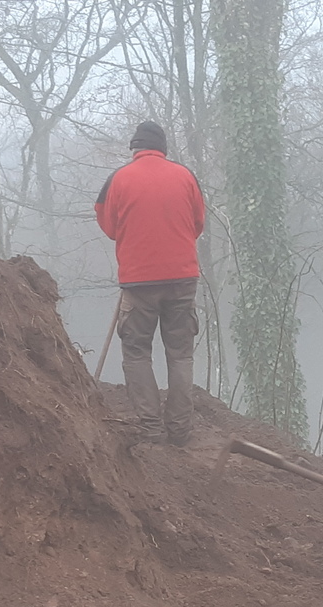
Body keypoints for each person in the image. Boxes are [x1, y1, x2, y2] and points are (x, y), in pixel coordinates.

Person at [94, 120, 206, 445]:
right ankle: (180, 431)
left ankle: (151, 428)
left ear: (135, 148)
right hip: (183, 279)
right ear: (163, 148)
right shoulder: (185, 176)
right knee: (180, 354)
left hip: (139, 282)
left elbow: (109, 225)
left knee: (137, 352)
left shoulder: (118, 179)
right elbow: (197, 223)